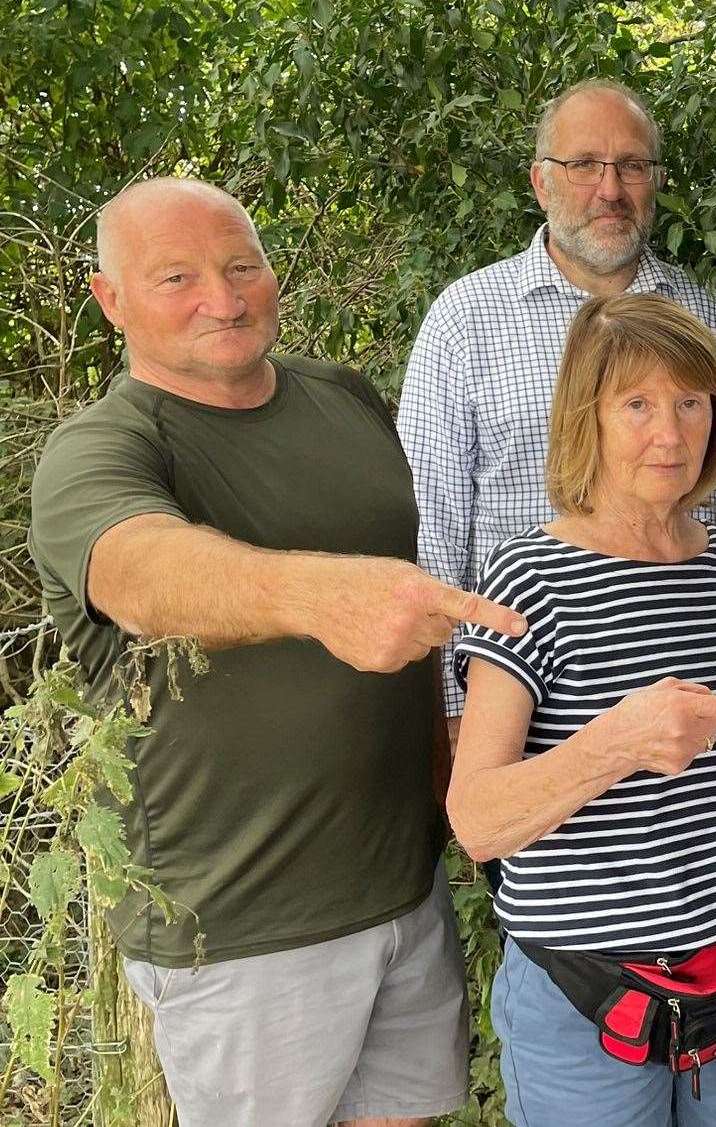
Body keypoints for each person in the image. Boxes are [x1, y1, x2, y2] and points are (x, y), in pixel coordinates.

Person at [28, 178, 527, 1127]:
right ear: (112, 299)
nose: (222, 297)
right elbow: (141, 572)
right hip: (243, 919)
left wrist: (446, 784)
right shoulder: (100, 447)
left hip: (399, 883)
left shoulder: (342, 397)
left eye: (240, 266)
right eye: (177, 276)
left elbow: (407, 618)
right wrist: (318, 594)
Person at [447, 293, 716, 1126]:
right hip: (585, 1001)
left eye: (690, 402)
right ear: (584, 418)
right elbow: (477, 818)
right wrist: (616, 743)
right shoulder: (530, 577)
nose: (670, 431)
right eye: (636, 404)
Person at [399, 78, 716, 725]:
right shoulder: (465, 321)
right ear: (541, 182)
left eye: (631, 166)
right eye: (586, 164)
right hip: (533, 701)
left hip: (704, 683)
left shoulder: (707, 317)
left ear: (656, 180)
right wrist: (456, 710)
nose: (611, 189)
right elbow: (433, 526)